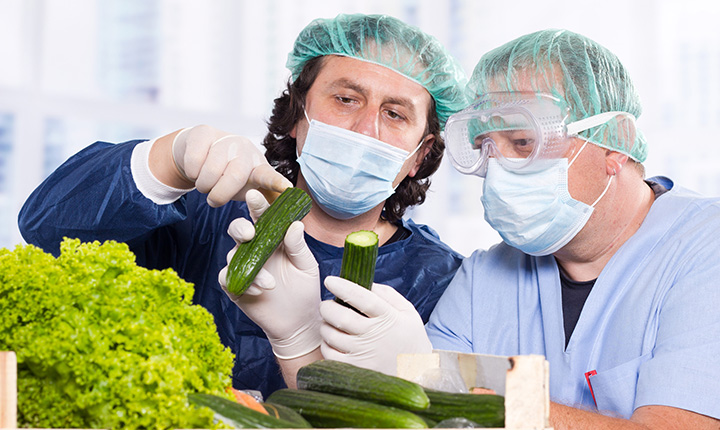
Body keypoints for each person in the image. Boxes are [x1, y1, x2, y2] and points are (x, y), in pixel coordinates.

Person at [263, 29, 720, 428]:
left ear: (615, 143)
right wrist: (305, 347)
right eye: (486, 144)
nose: (498, 168)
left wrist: (441, 383)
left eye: (523, 142)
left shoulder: (704, 246)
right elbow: (410, 419)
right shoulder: (484, 279)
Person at [17, 13, 468, 398]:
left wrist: (419, 375)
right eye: (346, 99)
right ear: (297, 115)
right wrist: (167, 161)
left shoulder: (447, 283)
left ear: (421, 155)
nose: (366, 129)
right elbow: (44, 228)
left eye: (395, 114)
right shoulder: (206, 213)